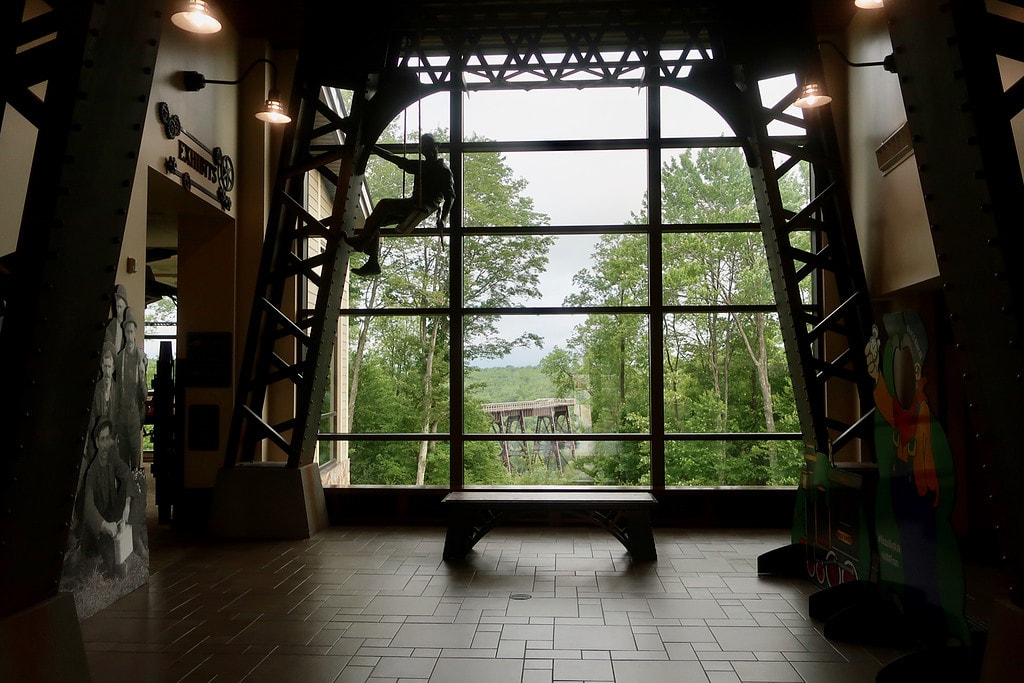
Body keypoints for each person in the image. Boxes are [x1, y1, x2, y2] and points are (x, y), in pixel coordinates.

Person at [346, 133, 455, 276]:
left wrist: (443, 218)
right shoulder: (421, 166)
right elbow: (394, 158)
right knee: (374, 222)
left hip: (421, 206)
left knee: (384, 205)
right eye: (425, 148)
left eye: (430, 148)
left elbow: (450, 196)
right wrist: (373, 147)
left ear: (435, 149)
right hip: (414, 205)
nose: (428, 152)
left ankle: (362, 242)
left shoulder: (442, 170)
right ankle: (373, 262)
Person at [82, 419, 134, 579]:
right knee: (113, 570)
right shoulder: (92, 471)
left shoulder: (112, 456)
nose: (106, 444)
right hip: (101, 522)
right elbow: (88, 505)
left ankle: (129, 536)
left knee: (130, 484)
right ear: (97, 442)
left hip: (114, 513)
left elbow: (126, 474)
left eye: (108, 438)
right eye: (102, 439)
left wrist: (126, 505)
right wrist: (104, 525)